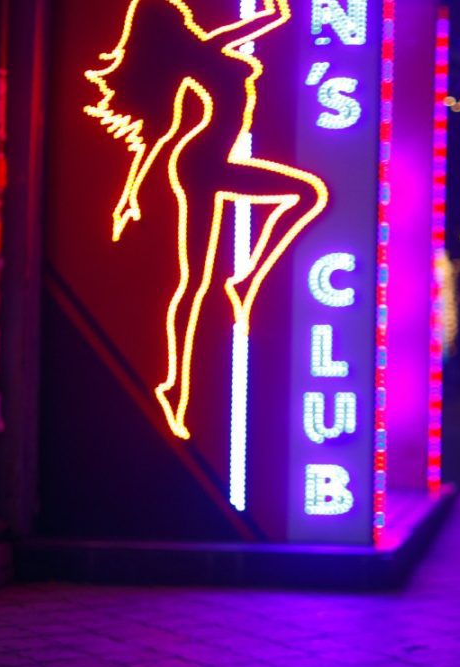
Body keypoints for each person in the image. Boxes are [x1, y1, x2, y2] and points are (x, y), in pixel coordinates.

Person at [84, 0, 327, 440]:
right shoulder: (195, 57)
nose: (190, 16)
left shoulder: (208, 47)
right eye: (182, 16)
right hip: (202, 163)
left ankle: (242, 285)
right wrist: (129, 193)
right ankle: (177, 384)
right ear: (170, 26)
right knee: (194, 281)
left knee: (302, 198)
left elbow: (273, 17)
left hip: (208, 162)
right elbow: (161, 131)